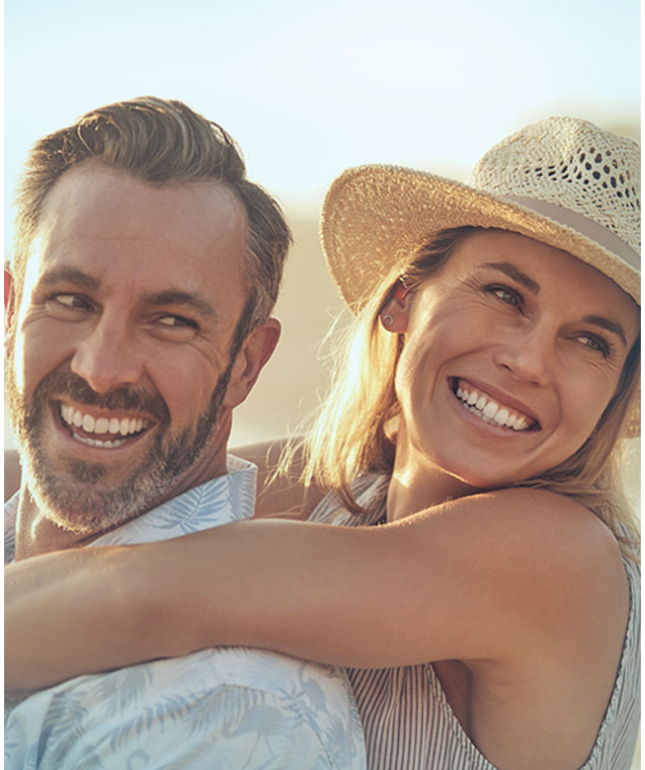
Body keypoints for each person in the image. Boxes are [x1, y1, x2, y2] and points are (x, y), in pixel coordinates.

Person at [5, 116, 641, 770]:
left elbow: (144, 597)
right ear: (402, 300)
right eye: (504, 294)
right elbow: (122, 470)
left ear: (615, 392)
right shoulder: (351, 495)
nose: (531, 360)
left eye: (591, 341)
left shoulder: (559, 558)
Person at [3, 97, 366, 770]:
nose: (101, 369)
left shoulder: (234, 715)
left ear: (245, 366)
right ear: (9, 307)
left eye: (170, 321)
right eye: (71, 300)